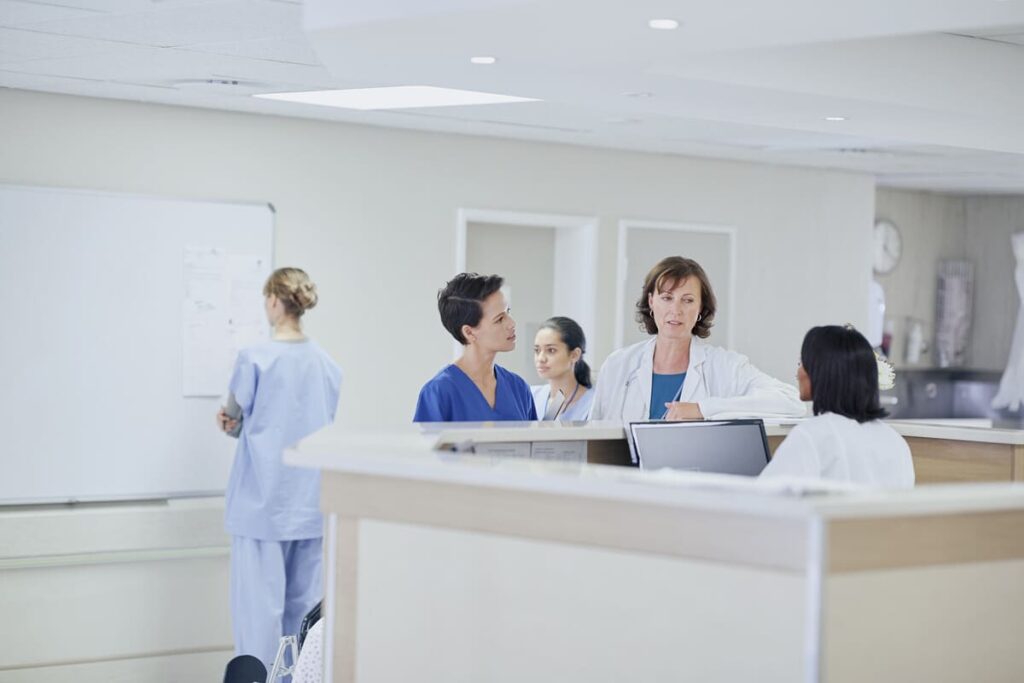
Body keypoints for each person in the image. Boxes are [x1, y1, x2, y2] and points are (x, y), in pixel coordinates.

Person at [216, 267, 343, 671]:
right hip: (310, 505)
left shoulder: (254, 358)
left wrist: (227, 423)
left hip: (261, 508)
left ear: (273, 301)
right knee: (307, 624)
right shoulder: (327, 364)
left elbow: (234, 418)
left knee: (258, 622)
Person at [590, 256, 804, 422]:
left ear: (701, 308)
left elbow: (791, 402)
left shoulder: (725, 366)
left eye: (688, 300)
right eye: (666, 298)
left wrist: (704, 409)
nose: (676, 310)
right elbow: (593, 439)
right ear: (651, 302)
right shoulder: (618, 365)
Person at [760, 325, 914, 488]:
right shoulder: (896, 442)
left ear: (821, 372)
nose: (798, 373)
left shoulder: (811, 435)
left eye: (802, 362)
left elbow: (762, 499)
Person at [414, 272, 538, 422]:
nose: (511, 323)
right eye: (499, 319)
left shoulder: (519, 388)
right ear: (469, 332)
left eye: (508, 312)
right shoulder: (439, 393)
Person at [531, 316, 594, 421]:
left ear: (574, 355)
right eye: (537, 350)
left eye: (551, 350)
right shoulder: (530, 397)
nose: (541, 358)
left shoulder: (593, 403)